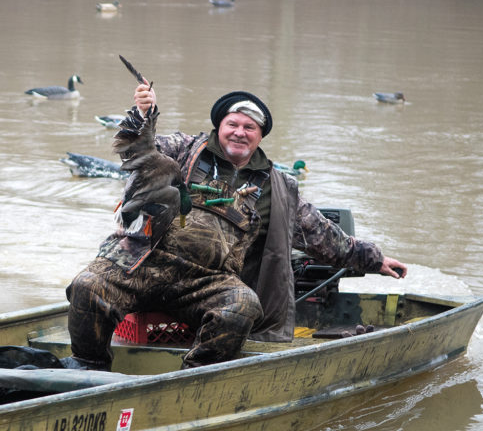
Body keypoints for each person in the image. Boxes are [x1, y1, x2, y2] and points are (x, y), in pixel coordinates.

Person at [65, 82, 407, 371]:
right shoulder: (183, 149)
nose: (240, 133)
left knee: (243, 305)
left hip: (203, 281)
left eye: (250, 128)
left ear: (259, 137)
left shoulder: (277, 186)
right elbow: (138, 150)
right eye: (233, 124)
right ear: (220, 126)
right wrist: (144, 115)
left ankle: (191, 378)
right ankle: (90, 371)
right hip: (140, 261)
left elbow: (322, 236)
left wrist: (374, 260)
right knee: (86, 286)